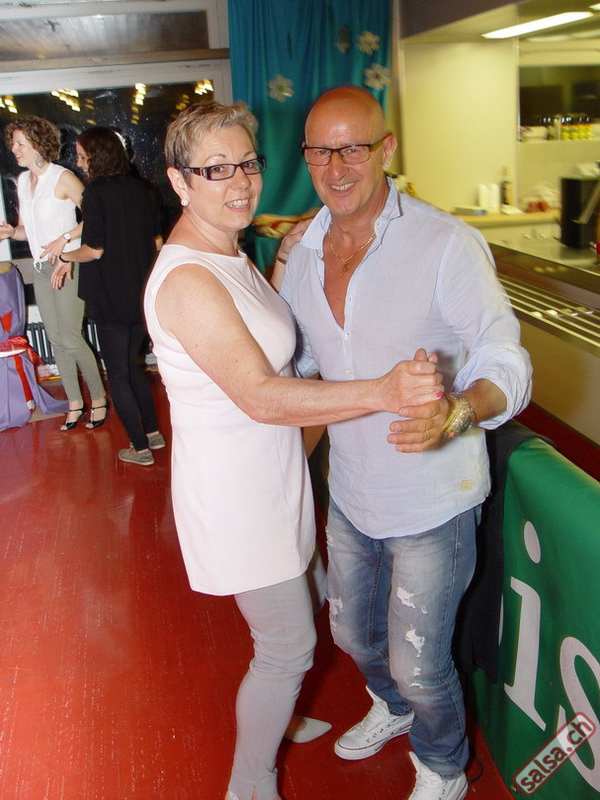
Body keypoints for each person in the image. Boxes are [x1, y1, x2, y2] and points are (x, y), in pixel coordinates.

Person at [142, 101, 443, 800]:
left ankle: (277, 714)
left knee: (301, 611)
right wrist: (382, 391)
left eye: (248, 163)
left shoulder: (229, 252)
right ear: (179, 181)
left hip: (277, 476)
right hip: (239, 498)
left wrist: (282, 260)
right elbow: (260, 395)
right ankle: (249, 785)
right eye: (216, 169)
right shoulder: (188, 278)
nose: (240, 182)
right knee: (287, 647)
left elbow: (264, 335)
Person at [274, 86, 532, 800]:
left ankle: (444, 765)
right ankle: (390, 708)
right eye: (320, 151)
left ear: (386, 148)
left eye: (353, 148)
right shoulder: (303, 252)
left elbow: (506, 359)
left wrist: (459, 411)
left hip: (433, 497)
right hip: (351, 490)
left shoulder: (445, 243)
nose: (336, 167)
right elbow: (301, 363)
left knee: (421, 663)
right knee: (353, 635)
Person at [53, 127, 165, 465]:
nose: (78, 162)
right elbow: (157, 242)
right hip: (140, 293)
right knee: (132, 366)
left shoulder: (96, 194)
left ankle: (139, 449)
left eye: (82, 156)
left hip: (110, 295)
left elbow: (94, 250)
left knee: (117, 372)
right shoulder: (144, 190)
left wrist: (64, 256)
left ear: (96, 157)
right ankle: (153, 434)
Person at [0, 115, 107, 431]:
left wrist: (66, 238)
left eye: (20, 143)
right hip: (41, 268)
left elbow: (96, 217)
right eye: (13, 144)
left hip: (68, 264)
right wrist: (11, 232)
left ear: (37, 144)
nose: (14, 149)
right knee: (57, 340)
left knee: (71, 337)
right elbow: (28, 231)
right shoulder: (23, 182)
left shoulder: (62, 177)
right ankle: (75, 403)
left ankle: (98, 399)